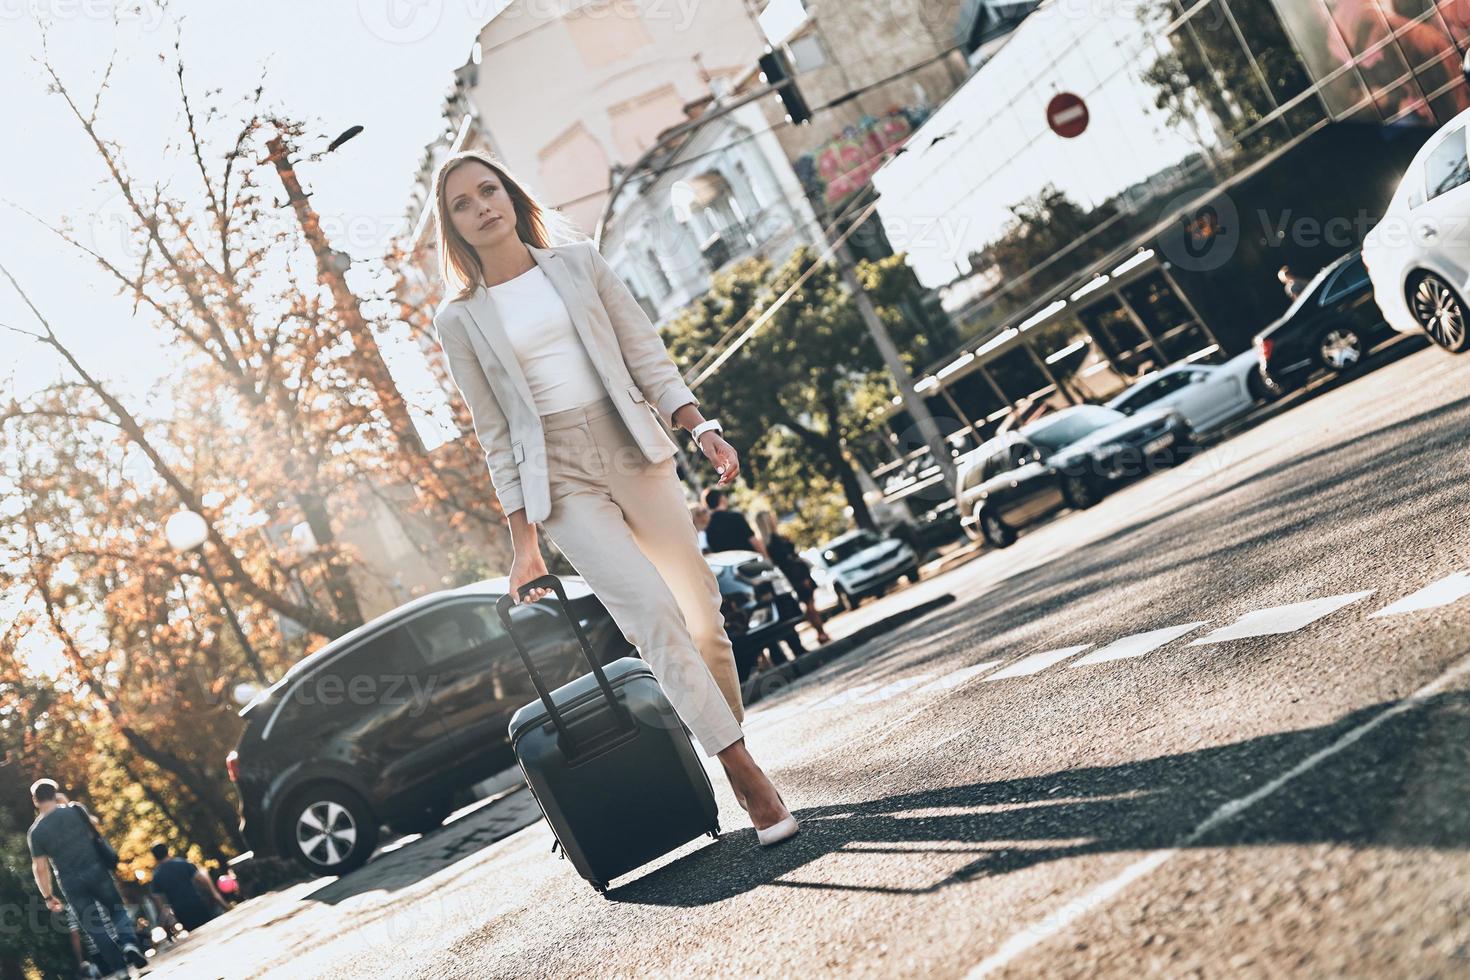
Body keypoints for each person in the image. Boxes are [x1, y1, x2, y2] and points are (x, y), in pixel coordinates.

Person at [429, 150, 797, 846]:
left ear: (510, 195)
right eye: (463, 204)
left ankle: (722, 734)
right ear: (453, 227)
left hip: (633, 442)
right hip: (560, 478)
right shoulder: (459, 320)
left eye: (489, 190)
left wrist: (701, 428)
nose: (482, 207)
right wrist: (524, 545)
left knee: (702, 616)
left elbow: (645, 352)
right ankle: (744, 774)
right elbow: (494, 432)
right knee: (651, 614)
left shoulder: (579, 265)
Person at [27, 779, 147, 973]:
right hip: (97, 870)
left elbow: (40, 867)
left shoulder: (35, 832)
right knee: (116, 910)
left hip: (71, 882)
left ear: (35, 800)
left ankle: (121, 970)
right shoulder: (75, 811)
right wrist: (65, 802)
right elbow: (94, 825)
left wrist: (48, 896)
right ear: (55, 793)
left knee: (94, 926)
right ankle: (128, 944)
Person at [753, 510, 831, 645]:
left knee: (808, 606)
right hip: (797, 576)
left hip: (791, 577)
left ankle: (820, 632)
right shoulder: (775, 542)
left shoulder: (766, 544)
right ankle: (820, 632)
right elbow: (788, 561)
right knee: (810, 605)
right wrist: (802, 578)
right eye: (771, 518)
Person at [147, 843, 227, 932]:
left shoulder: (156, 876)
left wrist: (171, 921)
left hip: (181, 912)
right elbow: (202, 881)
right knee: (211, 930)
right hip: (197, 904)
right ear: (167, 851)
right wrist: (217, 898)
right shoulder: (183, 863)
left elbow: (160, 904)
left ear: (155, 857)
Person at [703, 487, 770, 559]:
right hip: (749, 562)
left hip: (731, 568)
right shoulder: (736, 517)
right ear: (721, 499)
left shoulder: (708, 529)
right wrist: (766, 557)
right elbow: (753, 540)